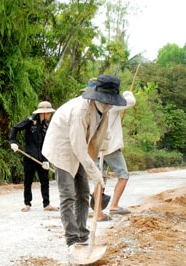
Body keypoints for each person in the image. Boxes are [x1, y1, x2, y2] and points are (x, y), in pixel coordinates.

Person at [42, 74, 130, 250]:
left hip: (81, 147)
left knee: (83, 193)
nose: (108, 104)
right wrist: (96, 173)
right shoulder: (80, 111)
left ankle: (83, 234)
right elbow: (78, 147)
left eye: (111, 101)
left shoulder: (104, 110)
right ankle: (72, 239)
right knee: (68, 195)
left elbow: (104, 134)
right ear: (97, 96)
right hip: (62, 146)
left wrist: (104, 146)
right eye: (106, 100)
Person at [10, 101, 59, 212]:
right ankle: (27, 203)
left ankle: (46, 204)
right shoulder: (30, 121)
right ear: (44, 113)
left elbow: (48, 143)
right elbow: (15, 128)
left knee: (45, 181)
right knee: (28, 181)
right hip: (29, 156)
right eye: (49, 113)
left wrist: (46, 160)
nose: (50, 115)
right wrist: (13, 142)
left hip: (42, 157)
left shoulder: (47, 125)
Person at [95, 87, 136, 218]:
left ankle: (98, 210)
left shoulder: (92, 107)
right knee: (123, 174)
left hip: (95, 148)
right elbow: (131, 101)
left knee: (100, 178)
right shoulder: (112, 105)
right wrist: (127, 93)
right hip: (110, 147)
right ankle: (114, 205)